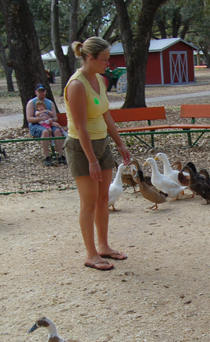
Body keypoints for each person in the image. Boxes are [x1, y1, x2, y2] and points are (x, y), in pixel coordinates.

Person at [64, 37, 131, 271]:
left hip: (102, 144)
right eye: (104, 59)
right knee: (89, 202)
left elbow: (106, 115)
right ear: (90, 58)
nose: (108, 63)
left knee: (104, 198)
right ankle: (91, 254)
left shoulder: (100, 81)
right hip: (82, 149)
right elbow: (81, 127)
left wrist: (120, 144)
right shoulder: (76, 85)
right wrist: (91, 160)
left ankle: (103, 246)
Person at [26, 83, 66, 166]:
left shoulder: (50, 103)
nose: (41, 93)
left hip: (49, 123)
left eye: (43, 91)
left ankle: (60, 155)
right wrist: (40, 119)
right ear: (36, 92)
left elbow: (55, 117)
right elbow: (29, 119)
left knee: (57, 131)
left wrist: (51, 119)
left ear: (45, 92)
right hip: (36, 125)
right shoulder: (31, 103)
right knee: (45, 132)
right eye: (39, 91)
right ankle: (46, 156)